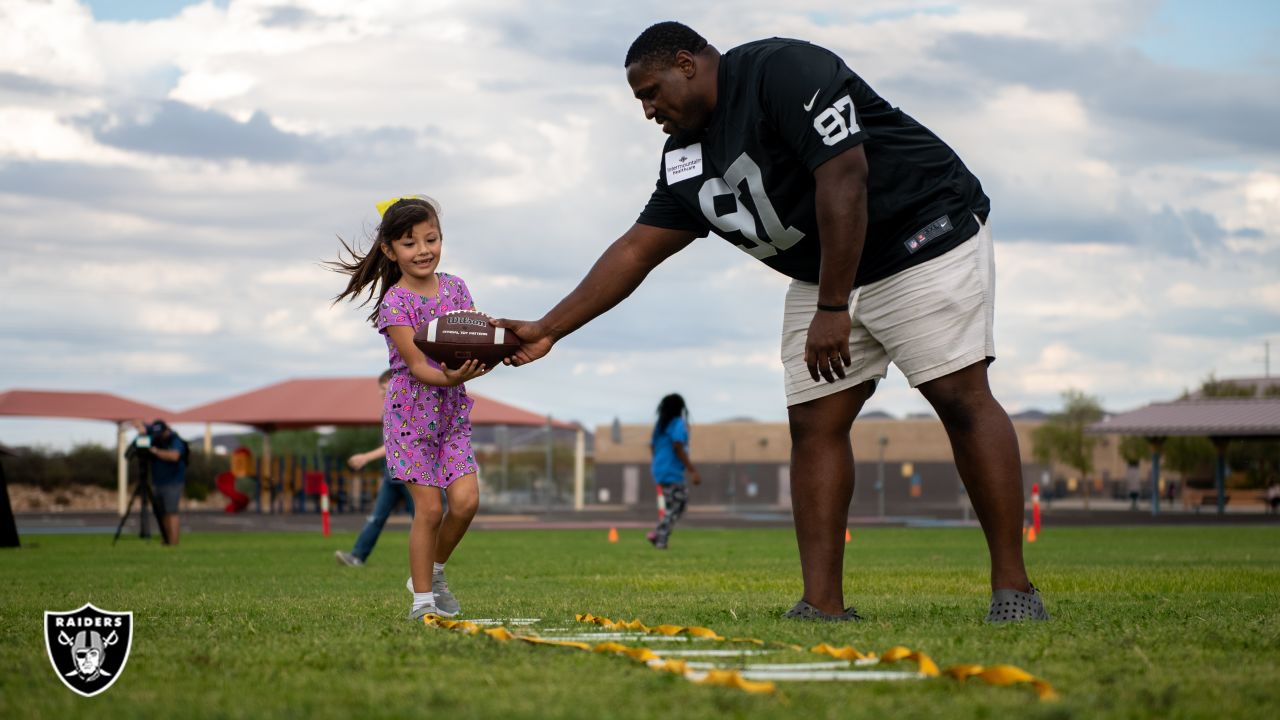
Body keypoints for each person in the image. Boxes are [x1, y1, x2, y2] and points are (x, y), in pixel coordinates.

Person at [495, 22, 1047, 622]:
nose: (648, 110)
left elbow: (844, 176)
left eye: (651, 92)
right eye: (640, 101)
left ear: (687, 63)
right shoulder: (683, 155)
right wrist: (550, 327)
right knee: (814, 422)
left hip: (919, 234)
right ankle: (822, 603)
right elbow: (636, 249)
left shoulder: (783, 71)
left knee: (958, 397)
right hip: (828, 272)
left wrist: (832, 308)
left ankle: (1013, 590)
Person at [331, 195, 486, 622]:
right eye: (409, 242)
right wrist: (454, 376)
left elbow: (470, 338)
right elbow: (418, 366)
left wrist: (494, 347)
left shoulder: (456, 287)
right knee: (430, 509)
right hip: (410, 418)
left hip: (452, 416)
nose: (423, 250)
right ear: (389, 251)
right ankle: (422, 604)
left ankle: (433, 573)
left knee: (467, 502)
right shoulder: (395, 303)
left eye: (431, 239)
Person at [335, 370, 418, 568]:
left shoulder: (406, 411)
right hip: (391, 476)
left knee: (423, 520)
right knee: (376, 517)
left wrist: (365, 457)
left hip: (410, 476)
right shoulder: (387, 412)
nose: (381, 393)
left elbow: (394, 444)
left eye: (385, 388)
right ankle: (356, 557)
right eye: (380, 389)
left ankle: (432, 562)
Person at [646, 394, 701, 549]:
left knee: (672, 505)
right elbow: (678, 446)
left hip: (659, 469)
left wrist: (658, 462)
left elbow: (652, 446)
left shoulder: (661, 424)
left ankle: (659, 536)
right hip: (672, 471)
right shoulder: (678, 424)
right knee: (679, 504)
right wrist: (692, 470)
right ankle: (659, 536)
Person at [132, 419, 188, 546]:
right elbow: (137, 446)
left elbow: (175, 456)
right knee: (161, 513)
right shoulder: (154, 438)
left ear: (167, 430)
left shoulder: (175, 440)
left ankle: (174, 543)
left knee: (171, 512)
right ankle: (166, 540)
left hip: (173, 482)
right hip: (158, 482)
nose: (159, 436)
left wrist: (156, 452)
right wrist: (141, 432)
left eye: (161, 433)